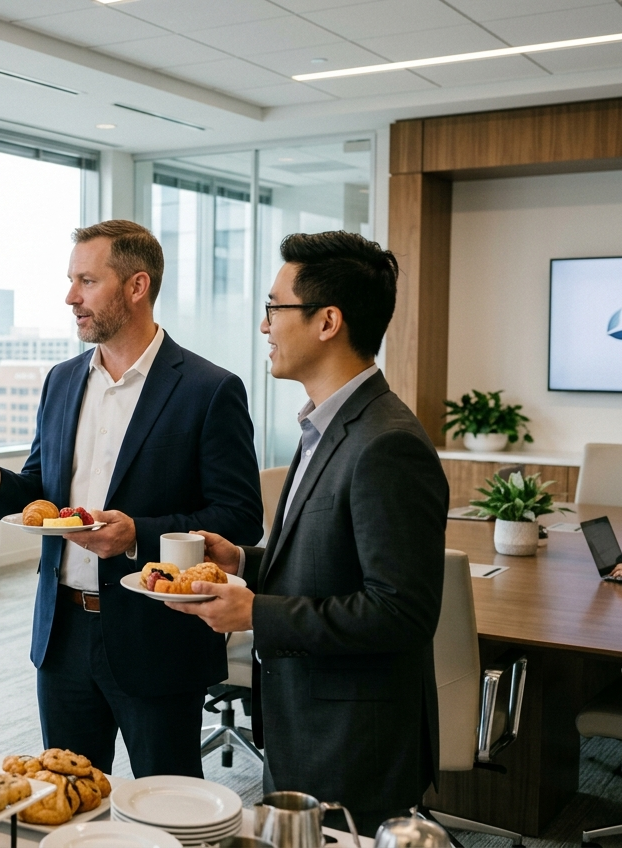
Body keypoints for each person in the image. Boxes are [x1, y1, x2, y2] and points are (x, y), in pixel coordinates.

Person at [0, 220, 263, 777]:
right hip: (61, 635)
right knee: (68, 801)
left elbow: (240, 518)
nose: (70, 297)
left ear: (137, 287)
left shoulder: (209, 389)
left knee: (168, 806)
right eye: (70, 280)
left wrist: (139, 533)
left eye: (86, 281)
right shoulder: (61, 380)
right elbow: (42, 492)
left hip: (156, 638)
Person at [166, 231, 448, 835]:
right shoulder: (328, 424)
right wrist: (244, 561)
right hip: (307, 720)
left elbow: (401, 612)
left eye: (275, 308)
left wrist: (256, 614)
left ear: (327, 322)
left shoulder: (387, 442)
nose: (264, 325)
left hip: (354, 740)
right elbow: (326, 563)